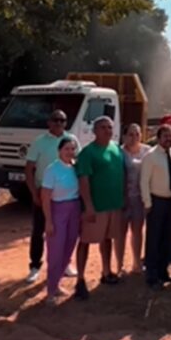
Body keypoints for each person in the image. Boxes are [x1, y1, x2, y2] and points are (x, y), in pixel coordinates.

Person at [24, 109, 80, 283]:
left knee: (64, 231)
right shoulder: (39, 142)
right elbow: (29, 168)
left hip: (65, 195)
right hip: (44, 192)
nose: (59, 123)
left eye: (62, 120)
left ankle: (65, 263)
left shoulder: (72, 139)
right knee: (39, 229)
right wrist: (34, 193)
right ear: (49, 122)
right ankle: (35, 266)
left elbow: (77, 163)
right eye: (55, 120)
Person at [74, 116, 125, 299]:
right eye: (103, 127)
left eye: (109, 127)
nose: (107, 130)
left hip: (114, 205)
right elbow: (84, 180)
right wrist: (88, 206)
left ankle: (106, 272)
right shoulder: (88, 153)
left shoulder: (116, 149)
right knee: (85, 242)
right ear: (95, 131)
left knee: (107, 239)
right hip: (96, 207)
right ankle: (80, 280)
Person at [40, 138, 81, 304]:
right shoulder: (52, 169)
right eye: (66, 149)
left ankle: (57, 283)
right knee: (55, 250)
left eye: (72, 149)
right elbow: (45, 196)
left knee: (69, 247)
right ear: (59, 151)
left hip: (74, 209)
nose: (70, 152)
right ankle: (51, 289)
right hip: (58, 210)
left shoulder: (76, 167)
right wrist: (48, 220)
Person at [140, 124, 171, 289]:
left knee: (167, 238)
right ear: (158, 138)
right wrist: (147, 203)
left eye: (170, 135)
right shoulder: (150, 156)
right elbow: (144, 181)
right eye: (165, 136)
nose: (168, 139)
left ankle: (164, 272)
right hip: (156, 201)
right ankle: (152, 275)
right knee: (154, 239)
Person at [115, 124, 150, 275]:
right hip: (122, 198)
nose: (134, 137)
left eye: (137, 134)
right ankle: (119, 265)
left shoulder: (147, 151)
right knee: (120, 233)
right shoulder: (118, 152)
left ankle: (136, 262)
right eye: (130, 134)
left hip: (139, 198)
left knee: (137, 231)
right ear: (124, 136)